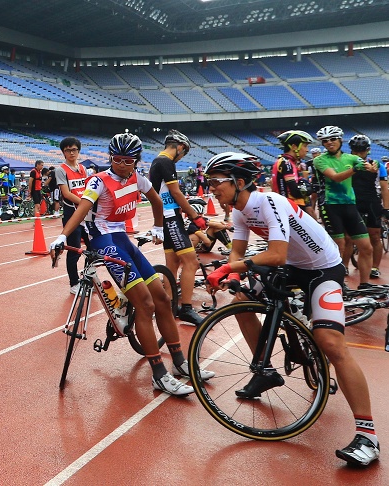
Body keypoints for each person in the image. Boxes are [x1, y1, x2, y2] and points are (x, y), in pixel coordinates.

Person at [204, 151, 380, 467]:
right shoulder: (240, 211)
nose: (211, 189)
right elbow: (238, 250)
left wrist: (226, 268)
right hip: (290, 266)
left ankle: (368, 436)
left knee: (331, 345)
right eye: (209, 183)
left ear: (239, 182)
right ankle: (265, 369)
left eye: (216, 182)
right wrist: (229, 273)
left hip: (322, 268)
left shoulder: (268, 202)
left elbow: (276, 255)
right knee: (241, 303)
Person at [49, 132, 214, 396]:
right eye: (117, 160)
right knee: (145, 304)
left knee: (161, 297)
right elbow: (82, 209)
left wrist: (159, 228)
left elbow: (158, 201)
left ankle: (181, 362)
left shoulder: (138, 177)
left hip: (123, 239)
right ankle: (159, 374)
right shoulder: (98, 181)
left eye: (129, 161)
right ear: (110, 157)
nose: (122, 165)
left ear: (136, 160)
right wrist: (62, 235)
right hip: (103, 241)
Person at [148, 129, 207, 325]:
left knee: (172, 264)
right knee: (191, 263)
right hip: (171, 217)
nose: (182, 157)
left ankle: (170, 306)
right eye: (184, 153)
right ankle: (187, 309)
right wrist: (194, 215)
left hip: (167, 218)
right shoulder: (166, 162)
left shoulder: (157, 161)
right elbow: (176, 193)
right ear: (180, 147)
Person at [313, 126, 375, 289]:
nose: (329, 143)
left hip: (350, 205)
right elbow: (335, 178)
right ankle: (336, 284)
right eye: (325, 141)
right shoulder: (319, 160)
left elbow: (367, 165)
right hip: (331, 206)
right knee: (339, 246)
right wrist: (356, 169)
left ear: (340, 140)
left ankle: (364, 284)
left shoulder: (350, 158)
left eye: (332, 139)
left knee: (366, 247)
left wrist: (371, 167)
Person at [348, 134, 389, 279]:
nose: (359, 155)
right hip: (353, 203)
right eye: (355, 152)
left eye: (362, 151)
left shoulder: (378, 165)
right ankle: (345, 266)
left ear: (368, 150)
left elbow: (384, 188)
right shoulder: (348, 164)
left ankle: (375, 267)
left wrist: (386, 208)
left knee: (375, 237)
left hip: (371, 202)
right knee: (348, 237)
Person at [54, 137, 90, 294]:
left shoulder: (83, 169)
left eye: (74, 149)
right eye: (67, 150)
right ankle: (74, 283)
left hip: (87, 213)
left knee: (93, 248)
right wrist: (84, 204)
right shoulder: (61, 170)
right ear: (63, 152)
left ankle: (89, 278)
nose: (71, 152)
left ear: (78, 151)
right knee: (74, 250)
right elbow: (66, 193)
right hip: (72, 213)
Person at [272, 130, 317, 219]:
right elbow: (295, 192)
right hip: (291, 207)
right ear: (294, 147)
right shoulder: (286, 163)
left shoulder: (289, 162)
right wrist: (309, 188)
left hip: (290, 206)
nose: (307, 150)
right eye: (305, 146)